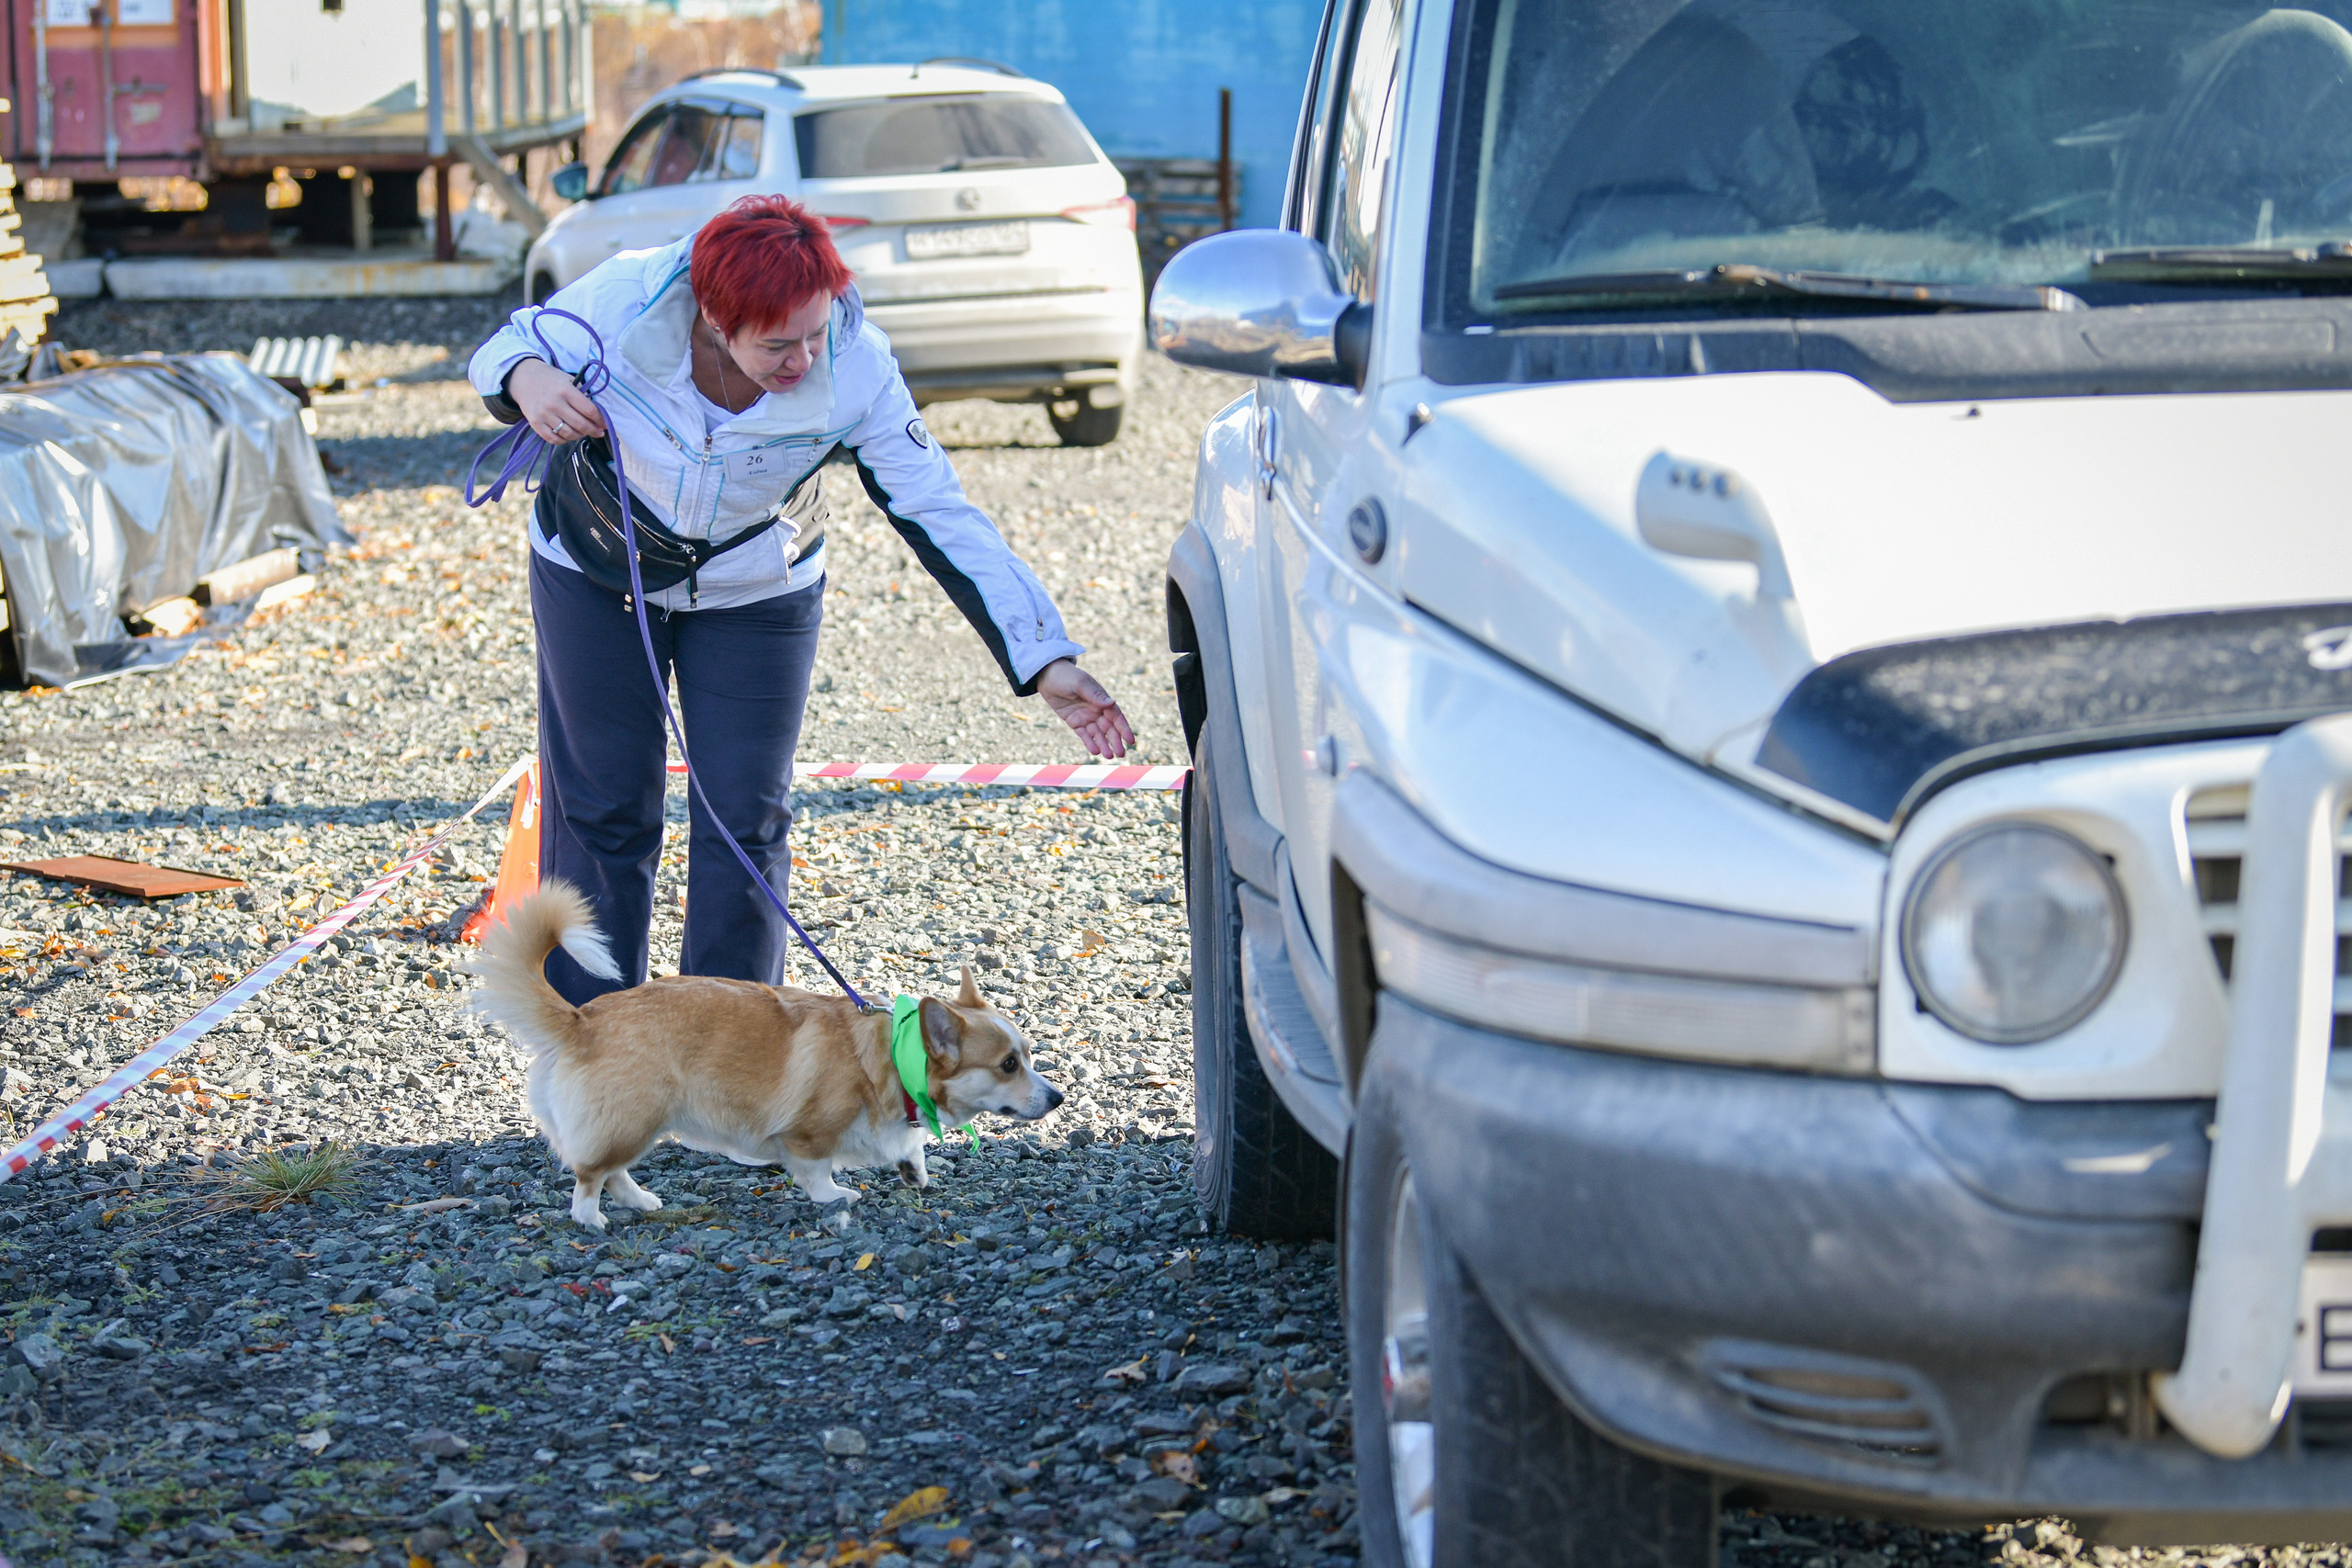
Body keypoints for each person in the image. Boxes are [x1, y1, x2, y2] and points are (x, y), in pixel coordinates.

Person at [467, 194, 1135, 1005]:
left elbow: (939, 510)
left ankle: (730, 1070)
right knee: (603, 810)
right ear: (713, 315)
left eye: (815, 331)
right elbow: (506, 346)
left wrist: (1044, 656)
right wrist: (528, 379)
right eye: (778, 344)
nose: (804, 359)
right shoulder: (622, 300)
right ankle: (593, 1054)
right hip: (598, 568)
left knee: (745, 822)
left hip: (759, 585)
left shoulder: (857, 364)